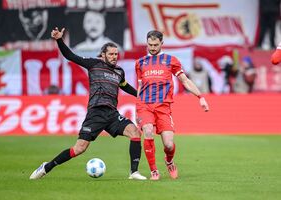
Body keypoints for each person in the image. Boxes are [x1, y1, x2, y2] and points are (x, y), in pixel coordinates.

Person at [30, 27, 146, 180]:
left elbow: (124, 86)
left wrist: (141, 94)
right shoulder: (93, 64)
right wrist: (59, 40)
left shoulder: (119, 71)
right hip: (96, 113)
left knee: (135, 132)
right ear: (103, 55)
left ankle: (134, 172)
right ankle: (47, 166)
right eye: (110, 54)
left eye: (116, 54)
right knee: (79, 148)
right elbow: (70, 55)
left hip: (112, 114)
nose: (114, 57)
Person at [135, 30, 209, 180]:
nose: (153, 47)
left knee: (168, 145)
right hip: (145, 105)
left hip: (163, 107)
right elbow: (140, 87)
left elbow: (185, 81)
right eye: (150, 44)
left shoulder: (171, 60)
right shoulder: (140, 63)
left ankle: (169, 161)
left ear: (162, 43)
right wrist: (137, 111)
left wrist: (200, 97)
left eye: (156, 45)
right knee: (148, 131)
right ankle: (154, 171)